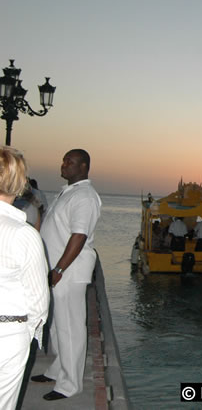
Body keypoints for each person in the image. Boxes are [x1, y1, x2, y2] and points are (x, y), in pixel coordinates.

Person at [33, 149, 101, 401]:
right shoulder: (69, 192)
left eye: (69, 162)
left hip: (69, 272)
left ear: (83, 166)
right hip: (58, 270)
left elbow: (79, 236)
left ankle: (70, 384)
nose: (63, 165)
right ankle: (57, 370)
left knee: (70, 327)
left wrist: (59, 268)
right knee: (59, 327)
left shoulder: (84, 196)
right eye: (63, 160)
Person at [0, 147, 49, 410]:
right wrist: (27, 332)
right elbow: (39, 302)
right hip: (8, 335)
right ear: (20, 184)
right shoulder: (24, 235)